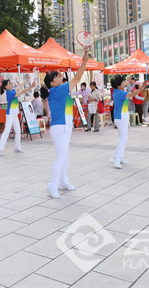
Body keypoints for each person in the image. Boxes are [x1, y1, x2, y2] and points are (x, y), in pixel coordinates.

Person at [40, 53, 88, 198]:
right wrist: (84, 62)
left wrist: (60, 75)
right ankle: (52, 186)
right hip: (59, 127)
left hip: (66, 126)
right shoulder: (57, 90)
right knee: (60, 158)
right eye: (57, 77)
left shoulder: (59, 89)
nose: (60, 77)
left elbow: (70, 80)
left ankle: (63, 182)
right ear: (52, 83)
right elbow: (77, 78)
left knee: (65, 157)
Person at [110, 76, 149, 168]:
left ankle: (120, 157)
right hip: (121, 117)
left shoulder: (118, 90)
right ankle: (116, 158)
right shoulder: (120, 93)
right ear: (118, 85)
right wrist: (143, 87)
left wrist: (127, 80)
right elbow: (132, 94)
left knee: (123, 138)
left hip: (122, 116)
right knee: (123, 139)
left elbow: (126, 84)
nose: (125, 83)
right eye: (123, 82)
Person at [0, 78, 31, 156]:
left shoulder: (12, 91)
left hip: (14, 114)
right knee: (7, 131)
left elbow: (19, 87)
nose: (11, 84)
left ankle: (17, 147)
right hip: (10, 114)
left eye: (11, 83)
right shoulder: (9, 93)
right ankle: (0, 148)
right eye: (9, 84)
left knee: (18, 130)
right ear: (6, 87)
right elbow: (22, 91)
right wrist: (31, 87)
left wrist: (26, 81)